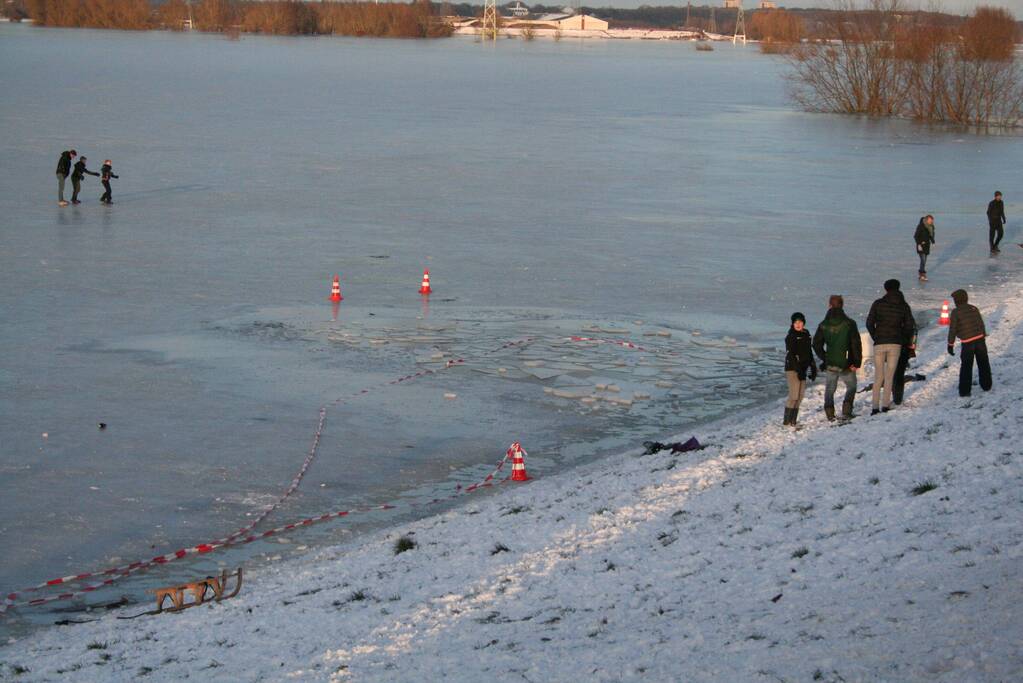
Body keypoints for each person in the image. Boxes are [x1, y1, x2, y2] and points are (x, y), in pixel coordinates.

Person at [865, 279, 916, 414]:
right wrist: (902, 338)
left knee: (878, 376)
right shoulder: (904, 305)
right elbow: (909, 326)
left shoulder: (878, 304)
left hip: (879, 343)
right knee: (890, 375)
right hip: (895, 344)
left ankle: (875, 407)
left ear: (886, 289)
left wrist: (876, 336)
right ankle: (886, 405)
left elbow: (869, 323)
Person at [813, 294, 862, 421]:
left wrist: (825, 357)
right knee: (851, 386)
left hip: (831, 363)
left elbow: (816, 344)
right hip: (846, 363)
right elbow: (856, 344)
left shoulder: (823, 324)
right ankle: (846, 410)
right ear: (842, 305)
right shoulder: (850, 323)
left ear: (829, 305)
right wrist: (856, 362)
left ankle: (830, 413)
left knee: (830, 389)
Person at [947, 289, 992, 397]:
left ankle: (965, 391)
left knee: (966, 366)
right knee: (983, 363)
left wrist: (950, 345)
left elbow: (952, 329)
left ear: (957, 300)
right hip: (980, 340)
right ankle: (987, 385)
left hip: (967, 343)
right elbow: (981, 323)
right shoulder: (974, 308)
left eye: (954, 299)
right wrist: (983, 335)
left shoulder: (955, 312)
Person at [783, 312, 817, 427]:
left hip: (803, 368)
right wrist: (799, 370)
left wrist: (813, 367)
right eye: (795, 322)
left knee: (800, 396)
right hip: (793, 369)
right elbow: (791, 355)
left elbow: (809, 352)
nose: (798, 325)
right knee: (793, 396)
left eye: (800, 322)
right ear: (792, 324)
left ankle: (793, 421)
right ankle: (786, 421)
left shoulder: (806, 334)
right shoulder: (791, 336)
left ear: (804, 323)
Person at [913, 215, 935, 281]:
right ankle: (922, 274)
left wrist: (933, 241)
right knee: (923, 259)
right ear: (927, 220)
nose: (932, 221)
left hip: (927, 246)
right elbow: (915, 236)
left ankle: (921, 272)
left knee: (924, 260)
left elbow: (930, 235)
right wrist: (919, 244)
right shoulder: (921, 226)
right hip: (921, 246)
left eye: (932, 220)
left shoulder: (930, 227)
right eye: (930, 220)